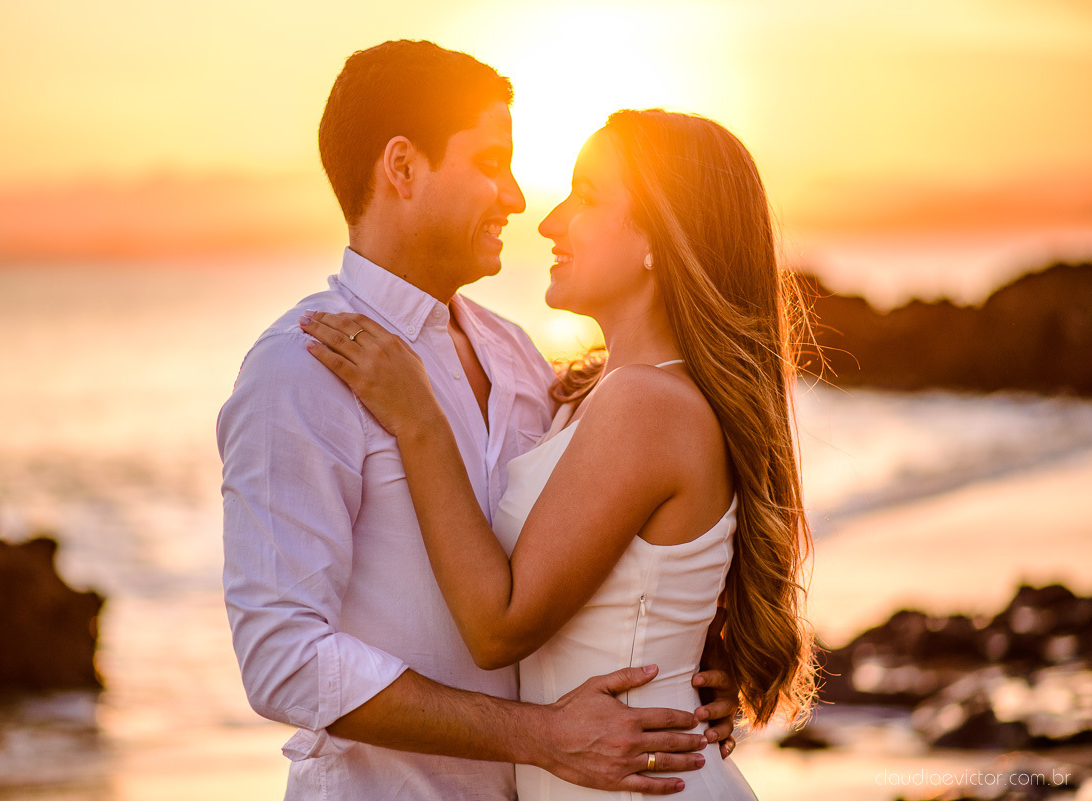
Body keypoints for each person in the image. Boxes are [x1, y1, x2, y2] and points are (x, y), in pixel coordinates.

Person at [218, 41, 739, 801]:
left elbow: (596, 555)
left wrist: (686, 669)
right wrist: (539, 735)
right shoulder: (301, 368)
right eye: (491, 162)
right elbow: (281, 657)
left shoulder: (519, 358)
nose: (518, 198)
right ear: (402, 167)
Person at [300, 108, 819, 799]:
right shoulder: (588, 393)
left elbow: (499, 626)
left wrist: (417, 417)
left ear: (656, 240)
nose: (550, 222)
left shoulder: (645, 404)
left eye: (588, 195)